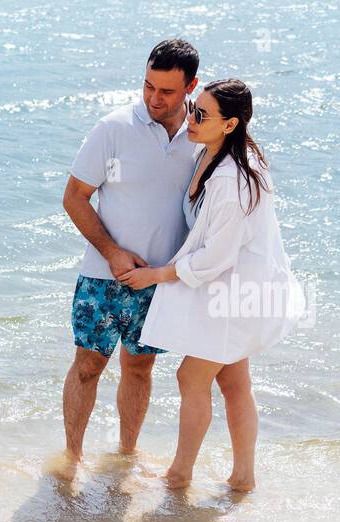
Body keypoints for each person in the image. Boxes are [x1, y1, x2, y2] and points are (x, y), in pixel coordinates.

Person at [124, 79, 300, 492]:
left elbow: (214, 257)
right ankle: (243, 478)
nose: (192, 117)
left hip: (235, 294)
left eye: (202, 115)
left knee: (191, 377)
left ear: (230, 124)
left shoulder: (234, 179)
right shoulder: (214, 153)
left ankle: (180, 475)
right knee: (234, 381)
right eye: (193, 107)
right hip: (227, 291)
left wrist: (155, 274)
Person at [59, 38, 201, 472]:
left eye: (167, 91)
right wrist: (112, 252)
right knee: (87, 366)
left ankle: (124, 459)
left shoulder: (202, 134)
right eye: (148, 86)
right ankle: (71, 460)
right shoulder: (113, 128)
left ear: (191, 86)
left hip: (160, 282)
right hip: (103, 276)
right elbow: (74, 197)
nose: (154, 99)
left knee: (140, 369)